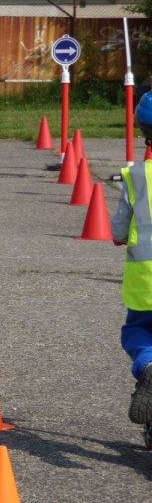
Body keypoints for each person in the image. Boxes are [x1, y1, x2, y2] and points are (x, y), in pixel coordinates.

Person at [111, 91, 152, 426]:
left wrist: (120, 236)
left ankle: (149, 365)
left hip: (145, 281)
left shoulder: (137, 175)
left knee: (138, 330)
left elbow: (120, 227)